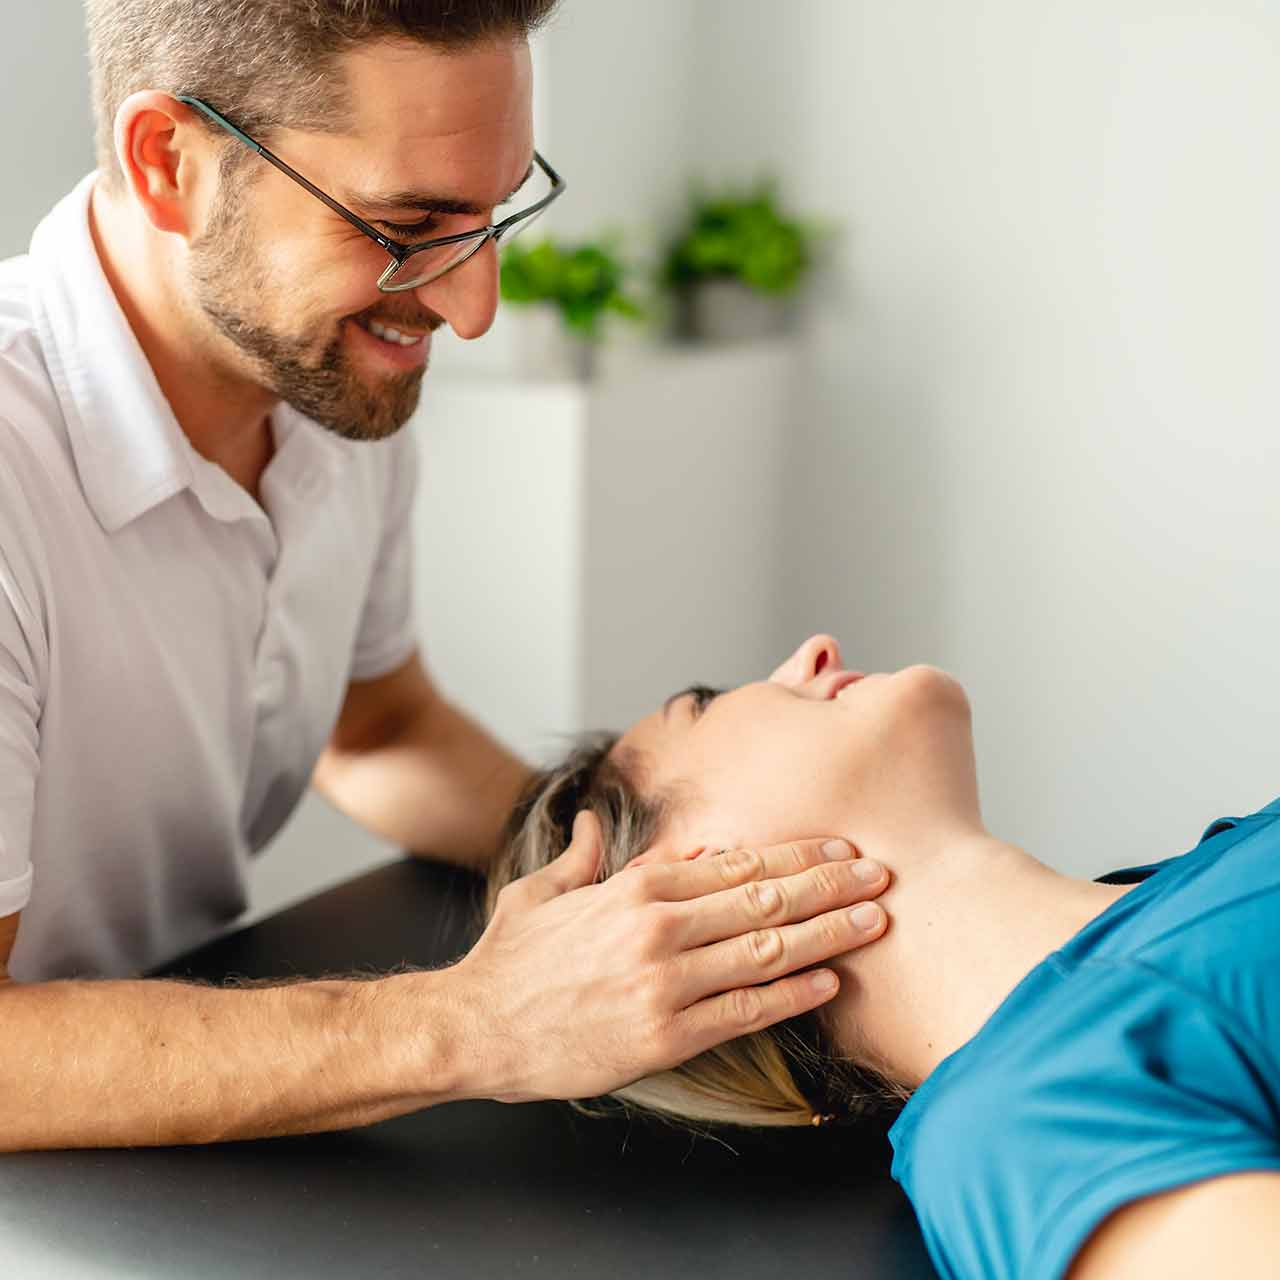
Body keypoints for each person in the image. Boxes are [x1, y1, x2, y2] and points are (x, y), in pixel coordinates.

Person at [0, 3, 893, 1152]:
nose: (471, 305)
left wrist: (652, 858)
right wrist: (474, 1023)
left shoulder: (321, 387)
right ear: (168, 162)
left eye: (492, 213)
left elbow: (380, 728)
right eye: (404, 225)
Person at [488, 632, 1280, 1279]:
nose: (815, 651)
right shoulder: (1017, 1126)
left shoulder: (1213, 867)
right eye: (708, 703)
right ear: (674, 888)